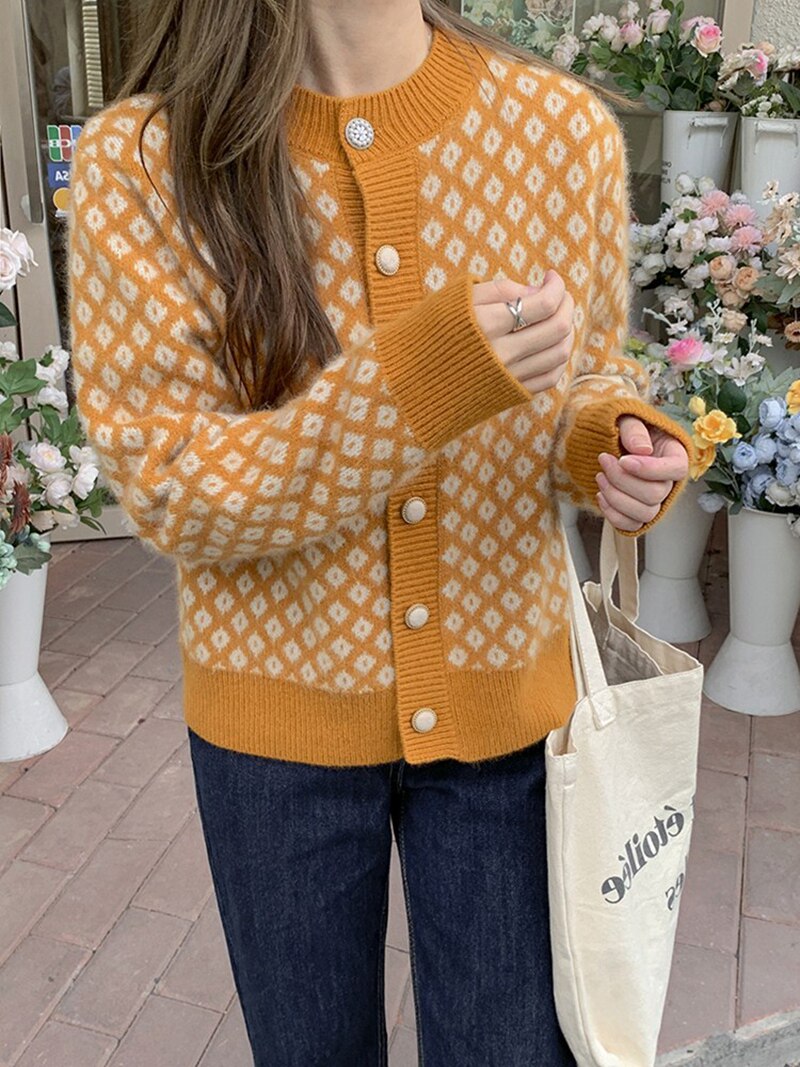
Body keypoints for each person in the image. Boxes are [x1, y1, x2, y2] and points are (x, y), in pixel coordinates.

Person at [66, 1, 693, 1063]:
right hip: (275, 733)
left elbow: (588, 377)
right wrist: (424, 379)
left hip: (509, 714)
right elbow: (170, 483)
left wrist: (609, 442)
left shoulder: (557, 129)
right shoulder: (145, 162)